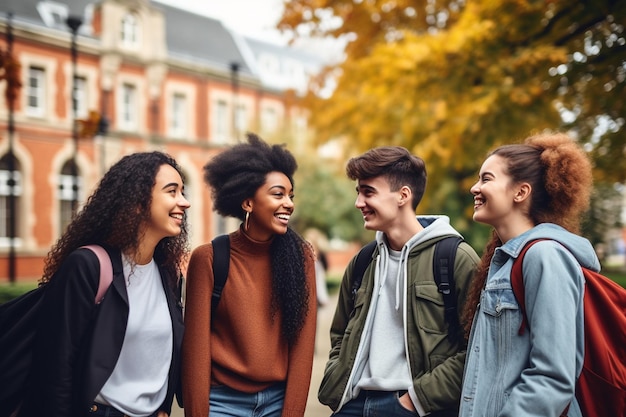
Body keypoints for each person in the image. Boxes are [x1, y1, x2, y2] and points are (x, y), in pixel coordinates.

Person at [18, 152, 190, 417]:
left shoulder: (168, 272)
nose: (185, 202)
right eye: (172, 191)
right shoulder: (88, 266)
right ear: (137, 203)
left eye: (183, 191)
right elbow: (54, 369)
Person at [318, 146, 480, 417]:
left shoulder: (455, 258)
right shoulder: (363, 261)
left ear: (403, 195)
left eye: (368, 192)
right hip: (354, 404)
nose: (359, 202)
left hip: (417, 407)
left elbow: (477, 347)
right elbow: (340, 333)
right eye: (358, 192)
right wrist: (340, 378)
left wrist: (414, 400)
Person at [459, 132, 599, 417]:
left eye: (486, 179)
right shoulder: (504, 262)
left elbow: (552, 377)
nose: (475, 187)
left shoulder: (544, 256)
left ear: (520, 192)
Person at [181, 133, 317, 417]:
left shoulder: (301, 258)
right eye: (278, 194)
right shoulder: (209, 258)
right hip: (221, 404)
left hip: (277, 403)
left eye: (291, 196)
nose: (289, 204)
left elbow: (303, 351)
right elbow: (195, 352)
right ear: (247, 203)